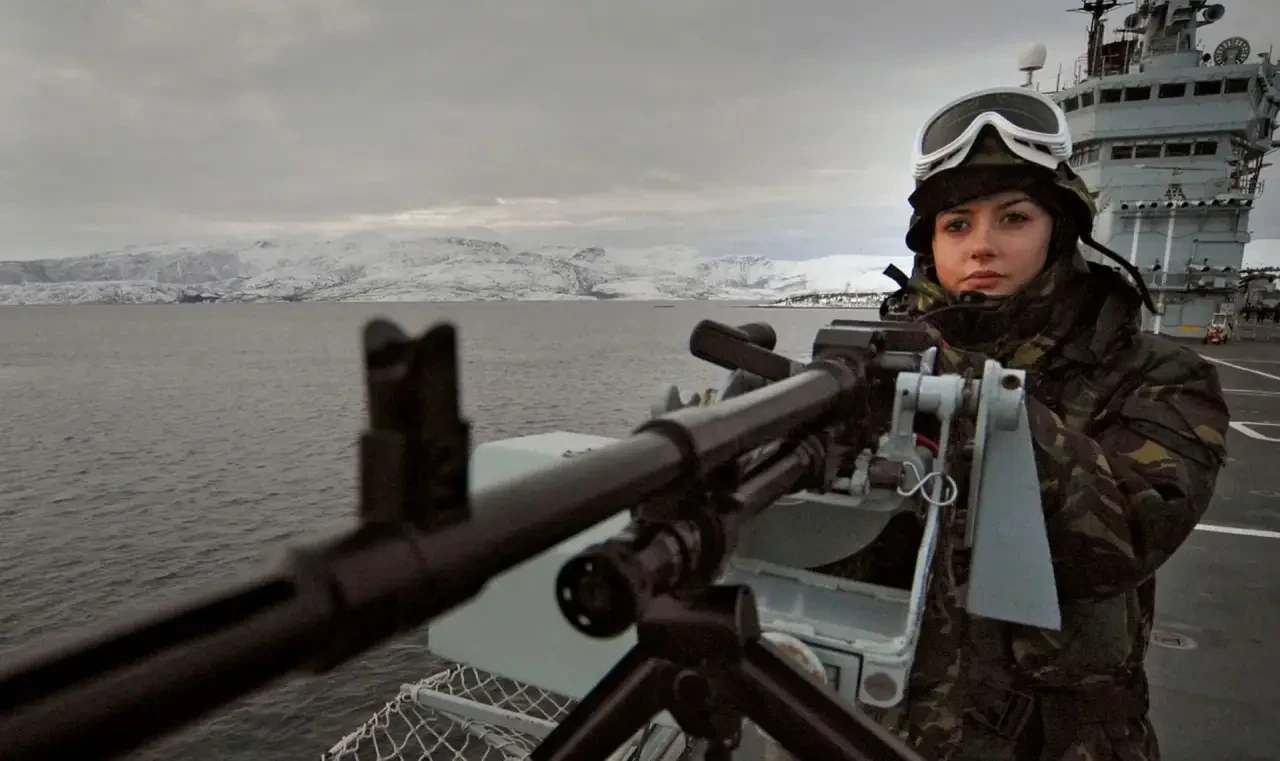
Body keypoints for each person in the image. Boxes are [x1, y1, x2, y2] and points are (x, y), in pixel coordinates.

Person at [817, 87, 1232, 761]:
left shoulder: (1156, 375)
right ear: (931, 247)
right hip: (888, 730)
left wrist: (970, 394)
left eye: (1013, 218)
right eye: (956, 225)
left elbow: (1125, 536)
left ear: (1058, 230)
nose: (981, 246)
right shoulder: (888, 368)